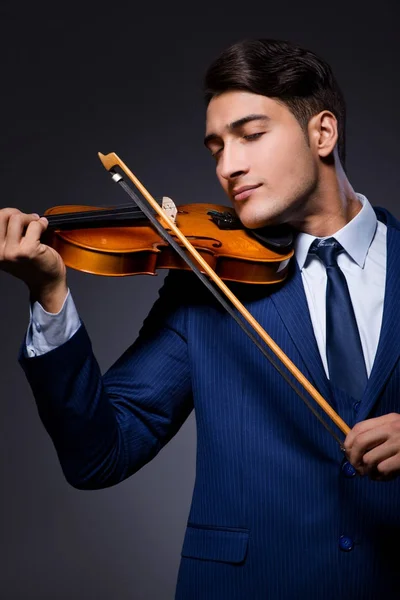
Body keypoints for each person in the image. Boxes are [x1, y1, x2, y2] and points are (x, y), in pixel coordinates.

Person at [1, 37, 400, 599]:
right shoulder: (207, 283)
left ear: (323, 134)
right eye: (215, 148)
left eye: (251, 135)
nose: (228, 167)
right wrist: (49, 294)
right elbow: (99, 455)